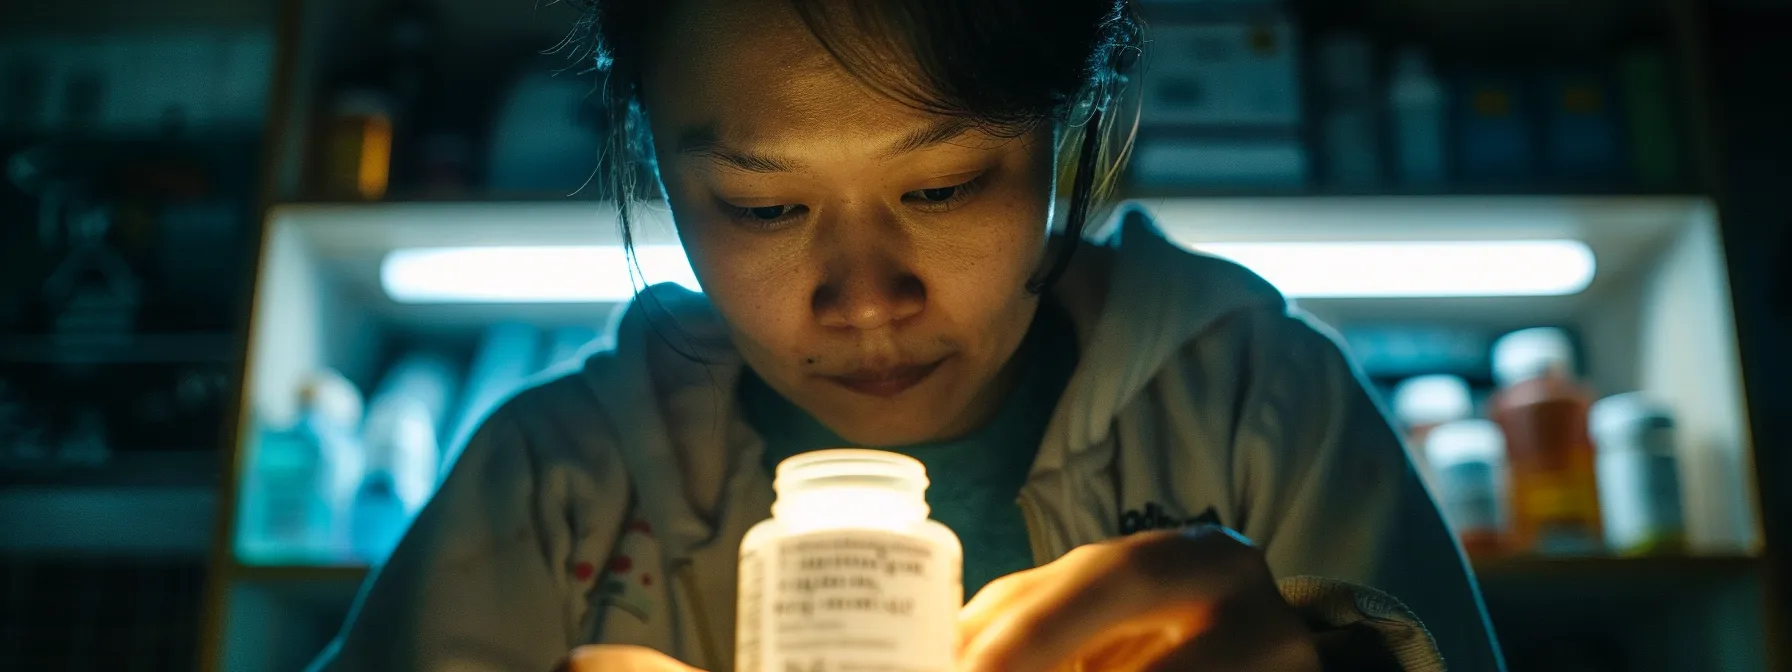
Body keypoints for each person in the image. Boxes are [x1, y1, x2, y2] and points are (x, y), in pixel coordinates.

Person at [313, 0, 1504, 670]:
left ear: (1068, 138)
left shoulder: (1257, 406)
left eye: (941, 191)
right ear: (650, 163)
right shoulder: (556, 484)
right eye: (765, 208)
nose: (868, 302)